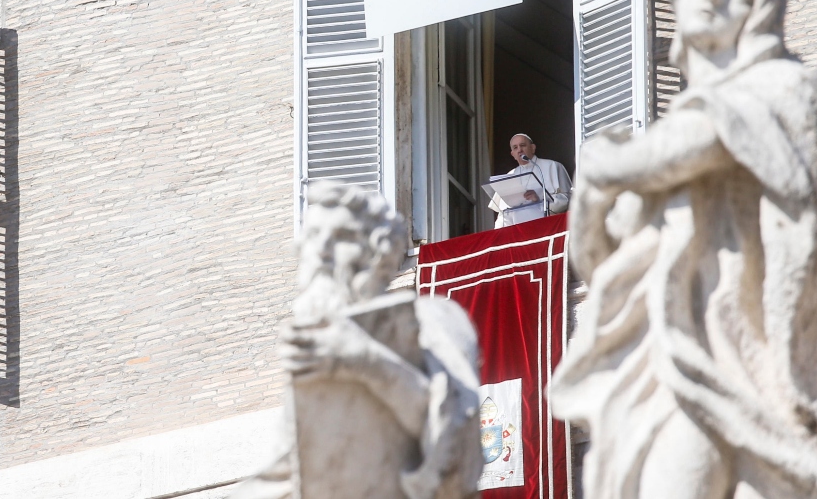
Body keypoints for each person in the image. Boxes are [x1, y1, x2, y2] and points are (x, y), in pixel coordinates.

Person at [549, 0, 817, 499]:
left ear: (759, 9)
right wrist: (591, 200)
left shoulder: (783, 90)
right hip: (669, 355)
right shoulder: (691, 119)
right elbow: (598, 254)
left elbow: (676, 151)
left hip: (738, 351)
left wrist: (601, 167)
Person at [231, 181, 482, 499]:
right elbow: (282, 479)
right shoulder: (315, 355)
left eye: (340, 238)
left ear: (379, 251)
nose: (320, 252)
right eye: (312, 238)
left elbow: (459, 446)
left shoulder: (433, 321)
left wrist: (366, 361)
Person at [488, 133, 571, 229]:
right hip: (518, 233)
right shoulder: (509, 175)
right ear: (513, 154)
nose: (519, 150)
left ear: (533, 148)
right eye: (515, 148)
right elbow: (502, 213)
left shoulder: (552, 166)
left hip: (546, 228)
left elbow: (567, 200)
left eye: (523, 145)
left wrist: (540, 200)